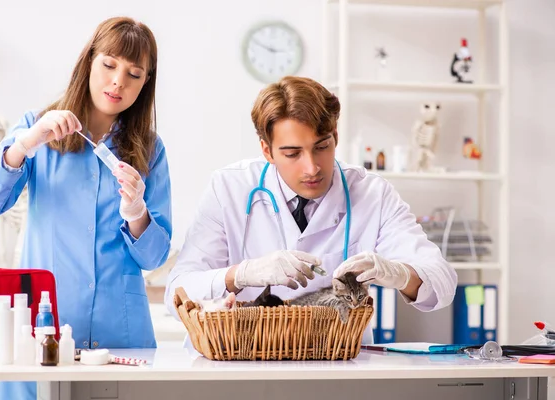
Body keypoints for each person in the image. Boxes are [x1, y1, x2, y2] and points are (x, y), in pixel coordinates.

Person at [0, 17, 172, 399]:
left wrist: (137, 211)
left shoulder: (149, 150)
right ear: (89, 61)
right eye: (109, 64)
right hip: (42, 334)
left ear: (146, 83)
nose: (118, 82)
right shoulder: (36, 129)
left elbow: (155, 256)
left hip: (120, 336)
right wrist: (23, 146)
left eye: (134, 73)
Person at [164, 76, 456, 344]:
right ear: (267, 150)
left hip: (337, 369)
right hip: (243, 367)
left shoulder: (372, 193)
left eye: (322, 146)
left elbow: (442, 283)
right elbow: (175, 294)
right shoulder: (229, 188)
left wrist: (399, 273)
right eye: (292, 154)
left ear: (335, 137)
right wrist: (240, 275)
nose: (312, 167)